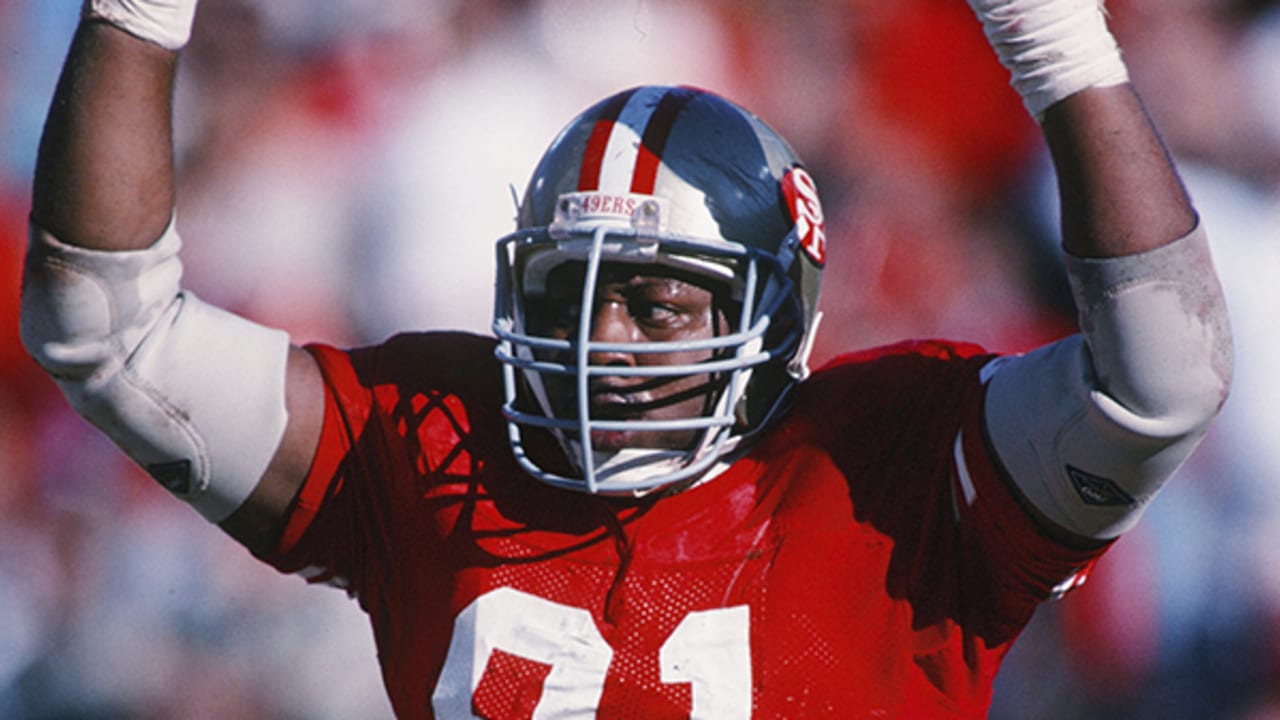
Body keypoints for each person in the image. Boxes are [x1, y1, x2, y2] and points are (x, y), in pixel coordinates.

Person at [19, 0, 1232, 717]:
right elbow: (109, 333)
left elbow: (1161, 380)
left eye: (657, 305)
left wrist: (1057, 46)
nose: (602, 340)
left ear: (777, 316)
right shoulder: (436, 435)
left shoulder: (892, 465)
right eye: (568, 292)